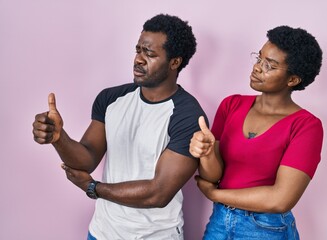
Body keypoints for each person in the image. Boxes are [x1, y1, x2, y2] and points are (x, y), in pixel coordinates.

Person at [32, 14, 207, 240]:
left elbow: (159, 193)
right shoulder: (111, 99)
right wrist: (59, 138)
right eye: (138, 50)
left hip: (155, 236)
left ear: (175, 62)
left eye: (150, 54)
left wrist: (94, 188)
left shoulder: (188, 115)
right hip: (102, 232)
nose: (139, 60)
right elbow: (86, 158)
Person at [189, 25, 323, 240]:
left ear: (293, 80)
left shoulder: (306, 126)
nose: (257, 68)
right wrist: (206, 153)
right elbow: (213, 176)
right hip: (219, 221)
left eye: (269, 65)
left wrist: (215, 194)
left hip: (266, 228)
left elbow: (280, 199)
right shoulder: (231, 105)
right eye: (259, 58)